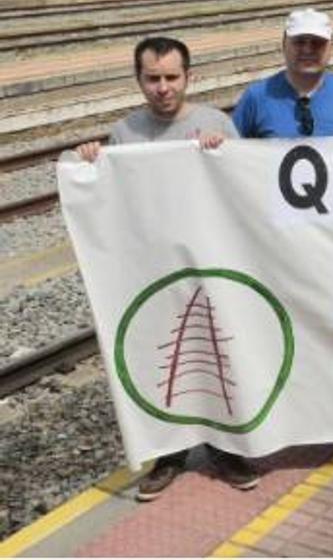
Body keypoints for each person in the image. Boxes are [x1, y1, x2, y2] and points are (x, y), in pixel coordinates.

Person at [74, 36, 257, 501]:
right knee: (161, 363)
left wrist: (223, 153)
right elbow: (112, 202)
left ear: (188, 77)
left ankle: (226, 450)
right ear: (138, 80)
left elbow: (243, 190)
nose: (162, 87)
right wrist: (92, 164)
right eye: (152, 78)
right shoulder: (124, 133)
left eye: (171, 77)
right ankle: (169, 456)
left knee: (217, 359)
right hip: (152, 268)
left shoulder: (216, 123)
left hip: (209, 263)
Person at [233, 9, 333, 139]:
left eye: (317, 43)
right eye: (299, 42)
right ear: (284, 44)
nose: (307, 50)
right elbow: (230, 152)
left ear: (331, 48)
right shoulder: (256, 97)